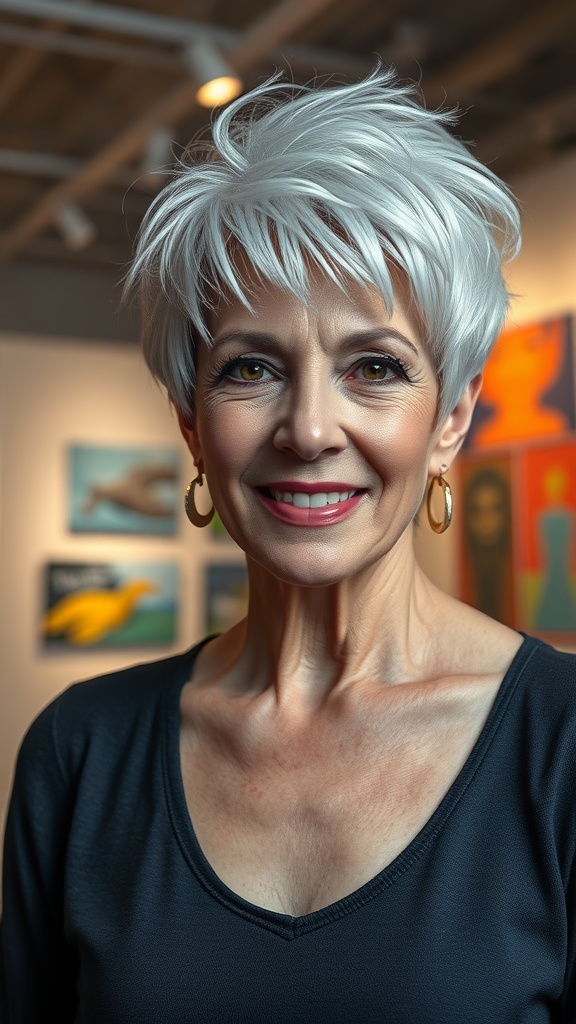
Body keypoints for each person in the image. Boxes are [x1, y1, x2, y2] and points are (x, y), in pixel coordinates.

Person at [2, 67, 576, 1023]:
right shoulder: (81, 753)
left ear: (453, 417)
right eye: (252, 367)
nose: (309, 427)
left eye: (375, 367)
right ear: (191, 422)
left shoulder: (560, 748)